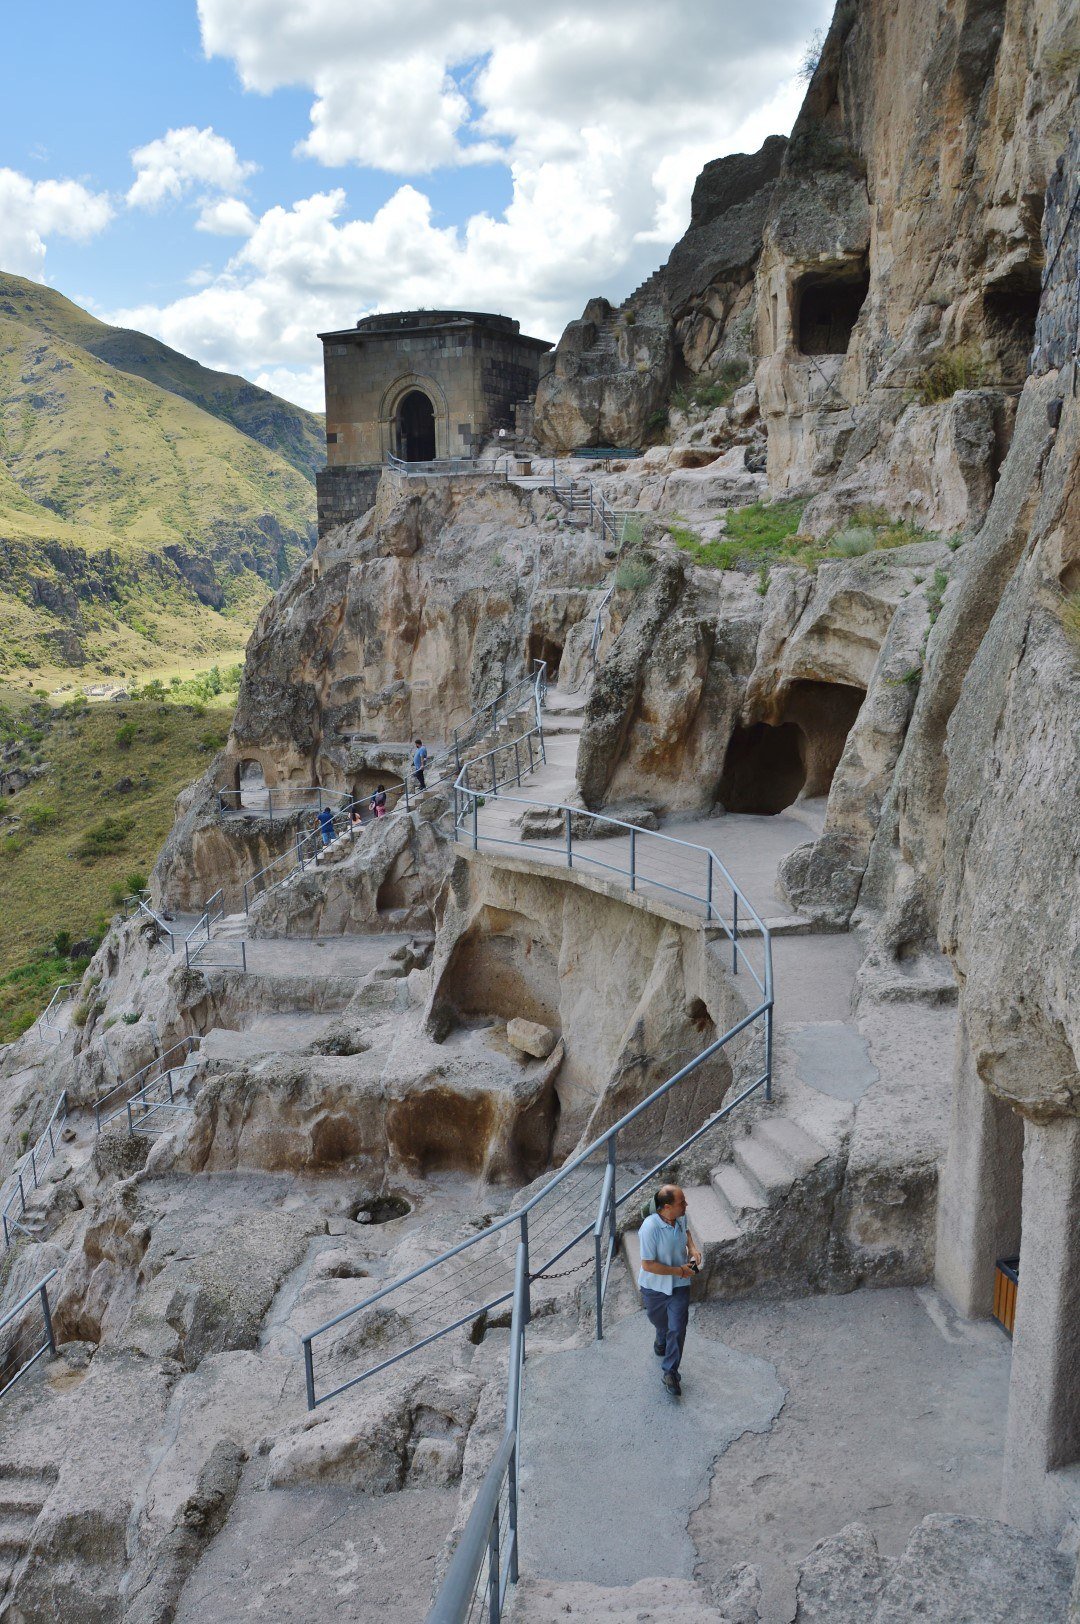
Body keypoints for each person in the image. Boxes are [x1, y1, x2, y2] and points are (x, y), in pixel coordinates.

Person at [637, 1184, 701, 1397]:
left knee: (677, 1327)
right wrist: (679, 1270)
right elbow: (648, 1265)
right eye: (681, 1202)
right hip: (654, 1287)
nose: (686, 1205)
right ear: (666, 1207)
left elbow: (687, 1233)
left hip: (680, 1286)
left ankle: (670, 1372)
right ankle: (660, 1335)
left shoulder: (680, 1217)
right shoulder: (649, 1228)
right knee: (660, 1322)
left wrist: (692, 1249)